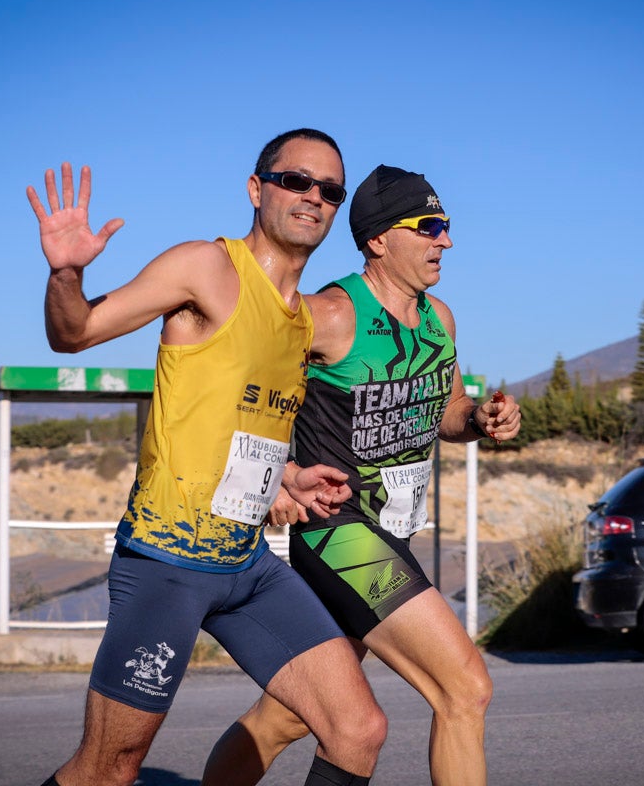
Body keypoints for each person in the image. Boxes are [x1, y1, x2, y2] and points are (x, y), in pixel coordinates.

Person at [26, 129, 387, 786]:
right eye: (295, 181)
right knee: (109, 768)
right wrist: (67, 272)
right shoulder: (207, 269)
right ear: (257, 189)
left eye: (330, 190)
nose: (314, 197)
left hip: (247, 564)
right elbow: (72, 333)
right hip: (169, 562)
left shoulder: (301, 321)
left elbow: (245, 426)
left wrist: (291, 477)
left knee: (357, 729)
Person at [202, 165, 521, 786]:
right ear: (379, 239)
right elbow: (237, 394)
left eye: (446, 227)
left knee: (289, 717)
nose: (445, 241)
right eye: (429, 227)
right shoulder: (330, 314)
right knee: (465, 687)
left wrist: (481, 418)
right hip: (338, 532)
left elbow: (446, 415)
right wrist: (277, 477)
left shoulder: (441, 320)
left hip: (392, 534)